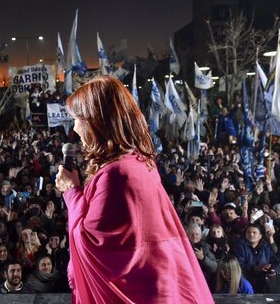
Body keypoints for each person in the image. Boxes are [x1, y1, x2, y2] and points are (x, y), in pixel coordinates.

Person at [55, 76, 213, 303]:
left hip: (139, 292)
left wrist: (72, 191)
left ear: (97, 122)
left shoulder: (116, 174)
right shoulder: (139, 163)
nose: (75, 129)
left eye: (78, 119)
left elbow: (92, 246)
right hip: (156, 285)